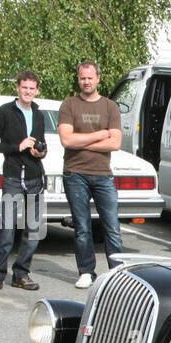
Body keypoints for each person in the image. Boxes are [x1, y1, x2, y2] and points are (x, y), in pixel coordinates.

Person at [58, 61, 123, 289]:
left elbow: (115, 143)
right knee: (82, 227)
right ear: (78, 80)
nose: (86, 82)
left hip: (103, 174)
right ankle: (86, 271)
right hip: (75, 173)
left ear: (98, 79)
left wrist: (82, 142)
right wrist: (100, 135)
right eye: (82, 78)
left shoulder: (110, 107)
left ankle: (118, 274)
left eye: (90, 77)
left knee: (112, 226)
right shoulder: (69, 105)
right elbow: (66, 140)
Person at [0, 70, 46, 292]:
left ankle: (21, 274)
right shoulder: (5, 112)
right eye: (24, 87)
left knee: (33, 230)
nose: (28, 92)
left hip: (34, 177)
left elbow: (41, 144)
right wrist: (16, 147)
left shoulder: (39, 114)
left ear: (37, 90)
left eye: (32, 88)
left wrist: (40, 152)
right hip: (12, 176)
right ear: (17, 88)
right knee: (7, 228)